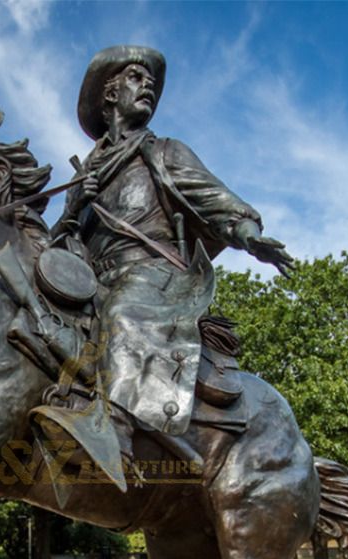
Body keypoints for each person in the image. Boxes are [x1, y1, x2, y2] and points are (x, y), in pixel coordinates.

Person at [33, 45, 293, 488]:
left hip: (153, 278)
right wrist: (74, 206)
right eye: (136, 77)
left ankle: (114, 432)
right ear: (108, 97)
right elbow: (61, 242)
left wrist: (250, 237)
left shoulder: (166, 151)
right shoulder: (89, 170)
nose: (148, 85)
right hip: (96, 280)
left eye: (149, 81)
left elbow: (215, 201)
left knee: (123, 312)